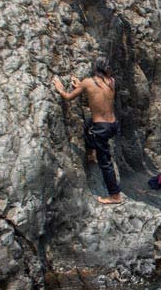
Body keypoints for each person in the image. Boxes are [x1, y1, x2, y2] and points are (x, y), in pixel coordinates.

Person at [52, 57, 122, 205]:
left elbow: (68, 97)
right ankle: (91, 154)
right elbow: (98, 94)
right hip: (113, 125)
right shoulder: (112, 82)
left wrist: (60, 88)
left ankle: (115, 195)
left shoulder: (88, 82)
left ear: (94, 68)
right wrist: (81, 86)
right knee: (88, 126)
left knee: (105, 163)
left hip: (101, 128)